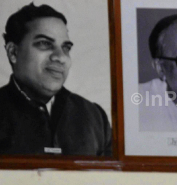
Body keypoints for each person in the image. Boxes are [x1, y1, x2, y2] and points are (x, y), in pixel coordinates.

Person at [0, 3, 112, 156]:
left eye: (66, 47)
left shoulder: (94, 117)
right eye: (44, 44)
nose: (60, 57)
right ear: (13, 52)